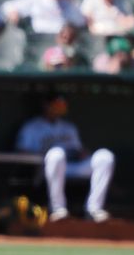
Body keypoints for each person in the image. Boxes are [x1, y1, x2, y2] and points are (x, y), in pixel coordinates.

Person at [15, 94, 114, 222]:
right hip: (46, 167)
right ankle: (58, 209)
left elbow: (79, 150)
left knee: (105, 156)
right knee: (56, 154)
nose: (59, 108)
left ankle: (94, 209)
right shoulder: (32, 127)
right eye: (56, 105)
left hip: (71, 165)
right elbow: (22, 151)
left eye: (62, 105)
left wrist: (83, 153)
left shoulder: (69, 127)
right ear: (46, 105)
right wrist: (43, 156)